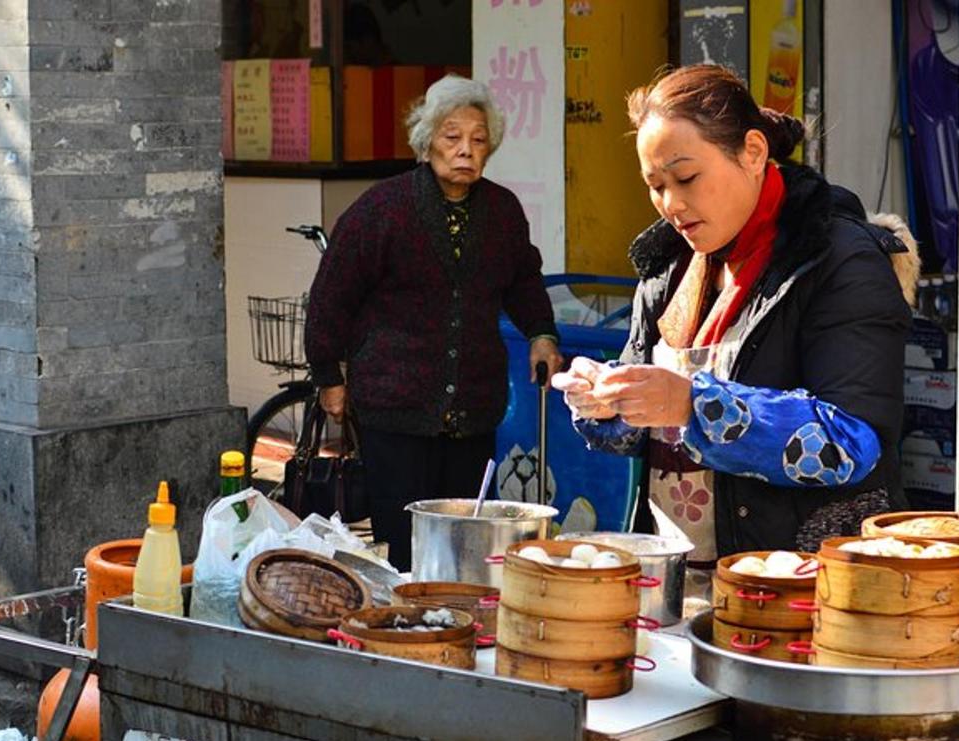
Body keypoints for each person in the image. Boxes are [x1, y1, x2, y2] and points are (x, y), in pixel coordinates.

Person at [553, 65, 919, 590]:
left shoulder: (840, 260)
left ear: (752, 152)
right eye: (655, 186)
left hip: (805, 590)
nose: (671, 204)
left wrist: (690, 405)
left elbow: (851, 441)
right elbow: (645, 426)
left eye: (686, 178)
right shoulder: (669, 267)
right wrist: (608, 399)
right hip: (681, 585)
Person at [305, 75, 564, 572]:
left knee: (465, 545)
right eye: (452, 136)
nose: (466, 149)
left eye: (478, 139)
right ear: (427, 142)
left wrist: (542, 334)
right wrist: (327, 375)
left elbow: (524, 280)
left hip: (472, 409)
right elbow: (332, 293)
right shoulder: (381, 209)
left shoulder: (503, 211)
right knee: (404, 549)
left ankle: (458, 631)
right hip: (395, 407)